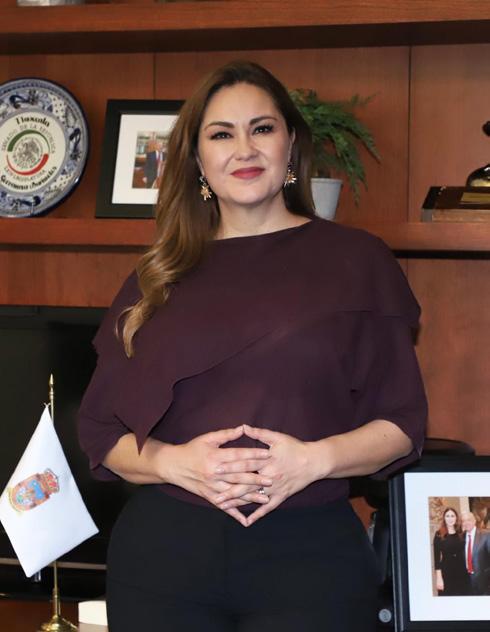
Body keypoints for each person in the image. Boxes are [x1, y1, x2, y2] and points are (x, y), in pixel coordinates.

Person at [78, 60, 427, 632]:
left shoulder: (357, 260)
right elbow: (99, 431)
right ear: (198, 161)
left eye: (262, 128)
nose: (244, 148)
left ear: (291, 145)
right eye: (222, 134)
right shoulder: (156, 277)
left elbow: (403, 424)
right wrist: (172, 462)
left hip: (311, 561)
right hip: (163, 561)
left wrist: (313, 460)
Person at [433, 507, 469, 596]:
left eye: (452, 516)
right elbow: (437, 559)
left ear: (456, 518)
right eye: (447, 516)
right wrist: (439, 579)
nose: (450, 518)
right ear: (444, 518)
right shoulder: (439, 534)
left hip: (462, 572)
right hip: (446, 573)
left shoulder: (462, 533)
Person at [461, 511, 490, 595]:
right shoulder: (461, 537)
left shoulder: (486, 535)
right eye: (463, 521)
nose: (466, 523)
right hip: (466, 580)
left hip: (484, 581)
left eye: (468, 520)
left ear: (474, 521)